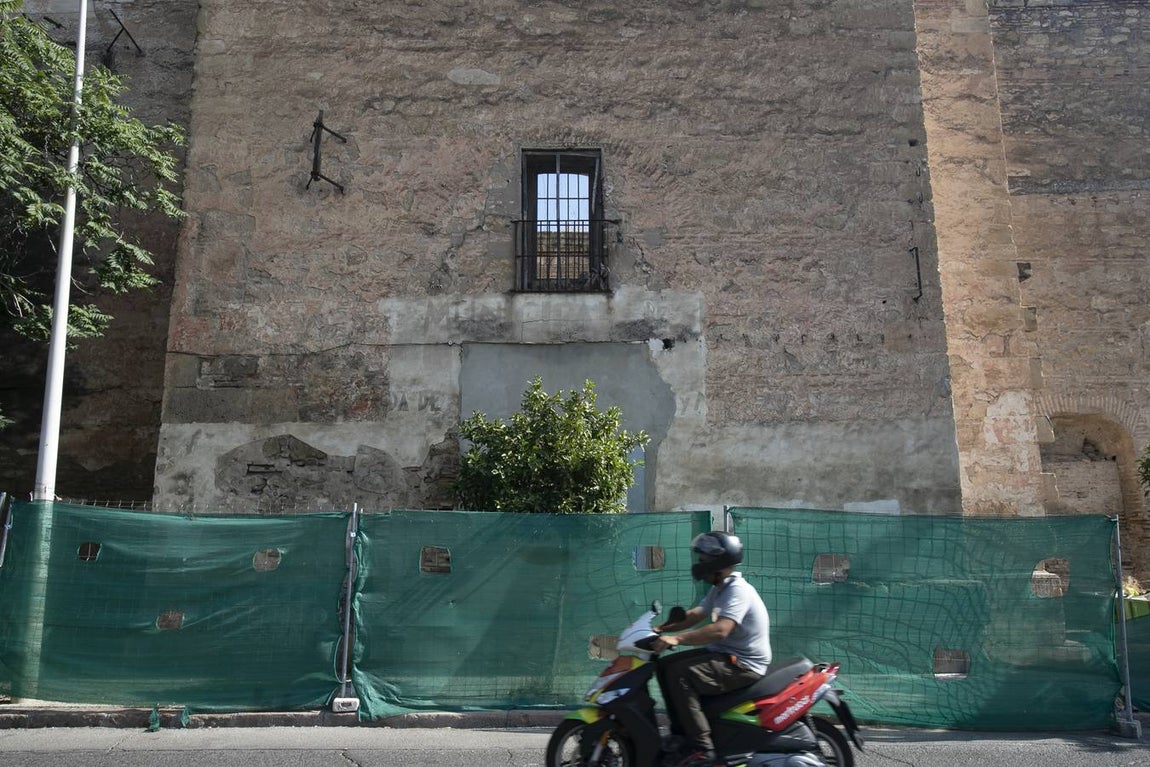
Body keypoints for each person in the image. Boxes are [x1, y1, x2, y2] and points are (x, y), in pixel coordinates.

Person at [651, 531, 772, 767]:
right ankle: (681, 735)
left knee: (679, 674)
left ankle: (701, 748)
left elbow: (721, 630)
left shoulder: (738, 590)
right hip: (725, 655)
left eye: (704, 559)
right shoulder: (720, 587)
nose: (700, 564)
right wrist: (660, 629)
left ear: (719, 561)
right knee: (665, 666)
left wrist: (676, 639)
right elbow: (697, 614)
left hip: (744, 663)